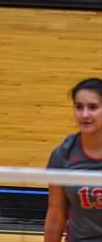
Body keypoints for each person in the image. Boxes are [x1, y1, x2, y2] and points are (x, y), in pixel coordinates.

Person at [44, 77, 102, 242]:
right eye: (78, 107)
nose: (85, 114)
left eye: (93, 107)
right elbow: (56, 213)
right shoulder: (63, 156)